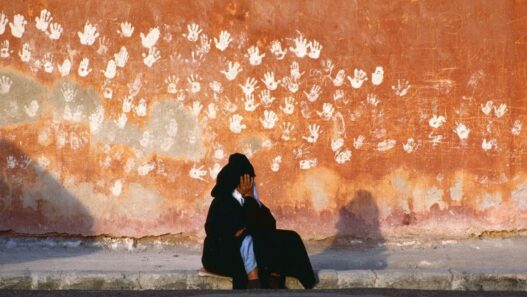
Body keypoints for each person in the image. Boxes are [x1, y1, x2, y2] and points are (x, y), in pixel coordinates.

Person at [202, 153, 317, 289]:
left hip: (249, 249)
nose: (251, 184)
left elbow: (269, 225)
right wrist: (242, 229)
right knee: (247, 238)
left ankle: (281, 278)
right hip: (222, 254)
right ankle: (253, 283)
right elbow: (222, 232)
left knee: (289, 237)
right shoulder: (222, 202)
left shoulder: (251, 199)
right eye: (247, 180)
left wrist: (250, 199)